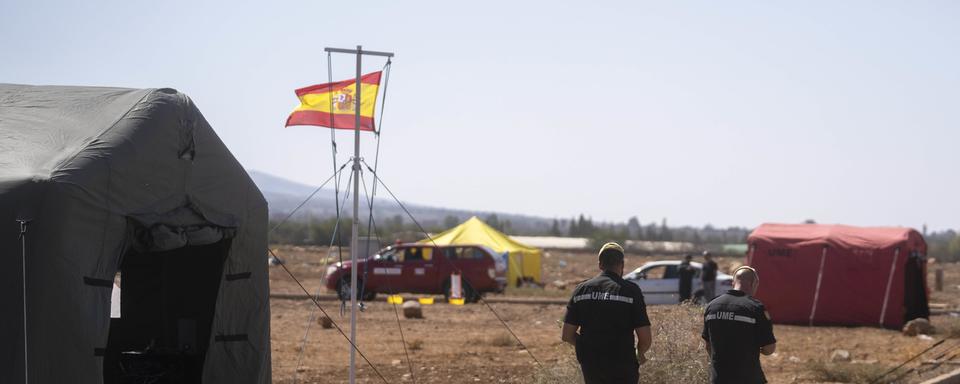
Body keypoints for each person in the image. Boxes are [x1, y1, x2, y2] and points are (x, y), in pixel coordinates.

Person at [562, 242, 652, 384]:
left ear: (600, 264)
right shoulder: (631, 291)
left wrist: (585, 347)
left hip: (591, 366)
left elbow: (567, 335)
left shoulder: (581, 290)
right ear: (622, 265)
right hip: (623, 365)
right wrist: (639, 354)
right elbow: (645, 339)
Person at [701, 266, 777, 384]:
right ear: (754, 283)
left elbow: (708, 345)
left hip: (719, 378)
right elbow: (769, 348)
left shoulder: (712, 306)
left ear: (733, 283)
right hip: (748, 378)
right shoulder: (755, 308)